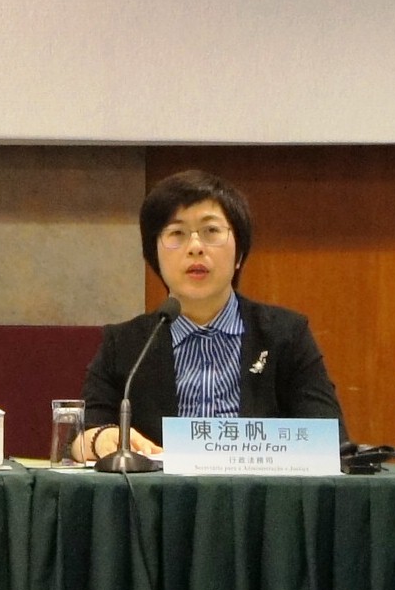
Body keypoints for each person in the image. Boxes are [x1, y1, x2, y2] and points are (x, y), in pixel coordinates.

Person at [74, 170, 343, 461]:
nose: (195, 247)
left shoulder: (285, 335)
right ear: (155, 255)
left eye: (211, 231)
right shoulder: (125, 345)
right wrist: (99, 439)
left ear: (239, 253)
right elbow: (80, 438)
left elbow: (331, 440)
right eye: (176, 233)